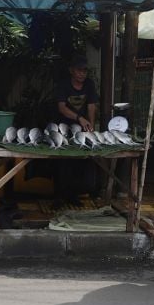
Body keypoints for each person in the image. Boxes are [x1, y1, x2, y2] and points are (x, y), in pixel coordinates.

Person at [52, 55, 99, 209]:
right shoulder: (63, 85)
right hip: (64, 127)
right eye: (79, 70)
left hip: (82, 129)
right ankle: (59, 197)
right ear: (71, 71)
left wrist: (90, 126)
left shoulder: (89, 85)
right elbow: (62, 107)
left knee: (79, 161)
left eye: (84, 71)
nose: (82, 74)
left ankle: (73, 195)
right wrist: (79, 118)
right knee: (62, 161)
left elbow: (92, 106)